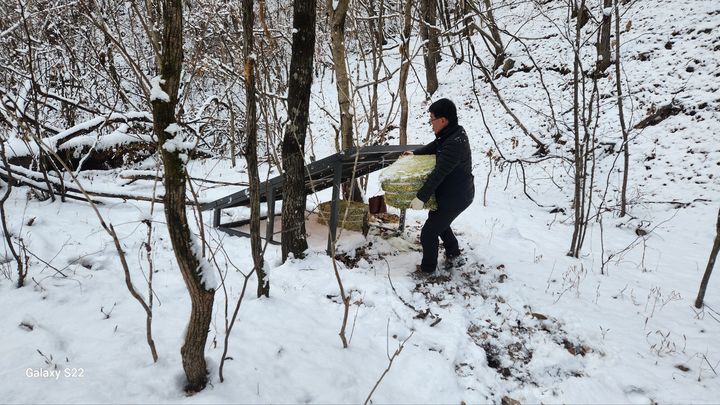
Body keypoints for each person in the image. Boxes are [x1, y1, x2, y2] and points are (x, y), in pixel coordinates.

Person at [407, 98, 474, 275]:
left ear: (443, 120)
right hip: (452, 193)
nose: (431, 124)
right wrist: (415, 153)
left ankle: (428, 270)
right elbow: (436, 145)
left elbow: (438, 174)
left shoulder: (454, 143)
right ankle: (453, 253)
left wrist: (421, 197)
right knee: (439, 222)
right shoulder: (452, 134)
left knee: (428, 232)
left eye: (432, 120)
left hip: (456, 197)